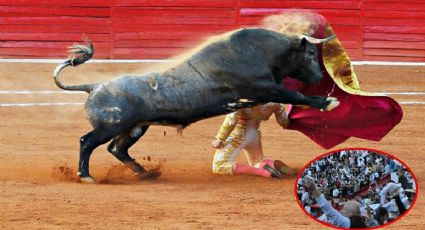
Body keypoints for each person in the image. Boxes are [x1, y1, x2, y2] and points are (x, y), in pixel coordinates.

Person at [210, 103, 297, 178]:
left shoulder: (243, 95)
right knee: (257, 161)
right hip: (255, 134)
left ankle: (262, 172)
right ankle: (271, 164)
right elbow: (284, 122)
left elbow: (231, 120)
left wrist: (220, 140)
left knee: (219, 165)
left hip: (238, 135)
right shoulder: (274, 101)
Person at [303, 176, 368, 228]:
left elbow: (329, 211)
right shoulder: (361, 222)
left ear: (350, 213)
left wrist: (314, 190)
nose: (341, 211)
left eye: (344, 209)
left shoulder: (351, 223)